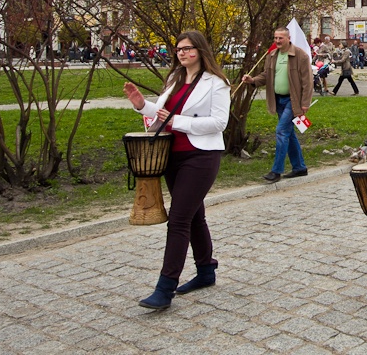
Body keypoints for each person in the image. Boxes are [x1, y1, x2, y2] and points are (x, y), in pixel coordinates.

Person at [122, 30, 231, 310]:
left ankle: (165, 288)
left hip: (201, 155)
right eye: (178, 49)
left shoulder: (216, 83)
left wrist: (178, 122)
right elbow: (160, 113)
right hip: (171, 155)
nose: (182, 53)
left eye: (188, 48)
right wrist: (140, 105)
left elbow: (219, 122)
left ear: (201, 50)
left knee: (179, 219)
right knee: (194, 216)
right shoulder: (174, 79)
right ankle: (206, 271)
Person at [242, 28, 313, 183]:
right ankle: (299, 167)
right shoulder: (272, 55)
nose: (277, 41)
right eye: (275, 38)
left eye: (281, 38)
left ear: (288, 38)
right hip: (278, 100)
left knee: (281, 132)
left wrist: (305, 104)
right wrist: (252, 80)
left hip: (292, 101)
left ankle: (276, 171)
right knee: (289, 134)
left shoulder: (300, 55)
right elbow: (267, 76)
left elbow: (308, 81)